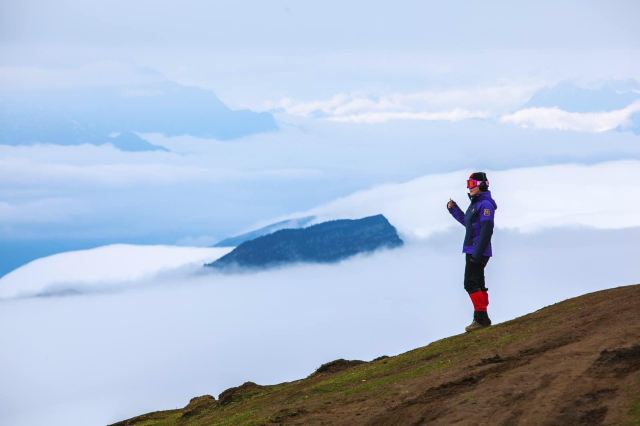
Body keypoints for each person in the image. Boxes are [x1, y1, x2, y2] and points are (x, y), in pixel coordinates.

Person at [446, 172, 497, 332]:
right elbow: (468, 223)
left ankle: (480, 318)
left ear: (482, 185)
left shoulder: (485, 205)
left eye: (472, 184)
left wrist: (477, 253)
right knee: (478, 283)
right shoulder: (476, 203)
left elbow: (487, 230)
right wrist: (454, 210)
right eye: (468, 184)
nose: (469, 187)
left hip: (477, 250)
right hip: (473, 248)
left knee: (470, 283)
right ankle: (483, 318)